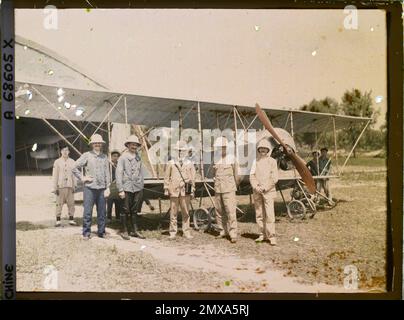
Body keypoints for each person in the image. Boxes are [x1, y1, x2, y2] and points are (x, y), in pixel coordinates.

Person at [72, 134, 111, 240]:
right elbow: (74, 167)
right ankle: (86, 233)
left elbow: (107, 173)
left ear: (101, 144)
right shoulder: (86, 155)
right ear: (92, 144)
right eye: (95, 143)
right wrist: (82, 177)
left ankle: (101, 232)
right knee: (88, 212)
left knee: (102, 212)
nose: (97, 144)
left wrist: (108, 187)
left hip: (102, 189)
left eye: (99, 143)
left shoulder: (104, 157)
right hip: (89, 188)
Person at [164, 140, 196, 240]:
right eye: (178, 150)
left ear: (186, 152)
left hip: (185, 190)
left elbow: (192, 178)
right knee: (173, 212)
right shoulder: (171, 163)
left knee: (185, 212)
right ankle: (173, 232)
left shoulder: (190, 163)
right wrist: (166, 188)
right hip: (174, 190)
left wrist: (192, 190)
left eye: (182, 150)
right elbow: (166, 177)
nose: (180, 152)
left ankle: (186, 231)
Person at [249, 139, 279, 245]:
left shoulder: (272, 162)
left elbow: (274, 177)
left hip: (268, 192)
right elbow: (252, 176)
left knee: (269, 214)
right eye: (261, 148)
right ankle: (262, 234)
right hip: (257, 191)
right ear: (258, 149)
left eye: (265, 149)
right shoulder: (254, 162)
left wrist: (265, 187)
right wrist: (256, 186)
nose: (263, 150)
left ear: (268, 150)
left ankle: (271, 236)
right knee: (259, 213)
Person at [116, 135, 146, 240]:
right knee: (125, 209)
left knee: (135, 210)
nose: (134, 146)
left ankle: (135, 230)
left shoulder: (138, 157)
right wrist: (120, 189)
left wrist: (141, 185)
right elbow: (118, 174)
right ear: (128, 145)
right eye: (132, 144)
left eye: (136, 145)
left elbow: (142, 173)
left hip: (137, 187)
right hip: (126, 187)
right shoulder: (123, 158)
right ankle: (124, 230)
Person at [213, 136, 239, 243]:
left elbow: (237, 175)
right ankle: (222, 231)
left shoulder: (232, 158)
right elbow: (214, 174)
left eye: (223, 147)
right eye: (219, 147)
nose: (221, 149)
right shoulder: (216, 159)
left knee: (231, 211)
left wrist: (233, 186)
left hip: (229, 189)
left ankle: (233, 234)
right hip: (218, 188)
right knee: (219, 211)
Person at [52, 145, 77, 227]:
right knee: (59, 203)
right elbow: (55, 175)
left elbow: (74, 174)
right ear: (61, 152)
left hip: (70, 185)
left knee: (71, 203)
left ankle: (71, 219)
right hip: (60, 186)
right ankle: (58, 220)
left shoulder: (72, 161)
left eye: (66, 150)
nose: (65, 152)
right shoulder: (57, 162)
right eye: (63, 150)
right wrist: (55, 187)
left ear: (69, 151)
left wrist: (74, 185)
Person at [106, 150, 122, 222]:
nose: (115, 158)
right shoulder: (108, 165)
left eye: (117, 156)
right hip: (110, 185)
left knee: (118, 202)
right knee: (110, 202)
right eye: (114, 156)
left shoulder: (120, 165)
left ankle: (118, 217)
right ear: (111, 157)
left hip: (117, 185)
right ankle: (109, 217)